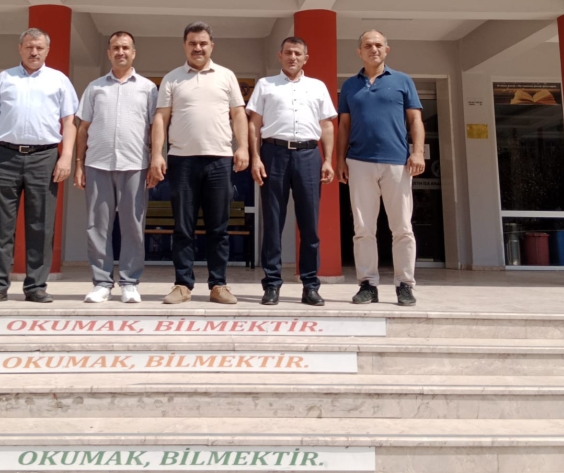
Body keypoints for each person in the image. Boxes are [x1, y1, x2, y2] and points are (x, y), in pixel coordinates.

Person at [0, 28, 78, 304]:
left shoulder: (59, 80)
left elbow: (69, 122)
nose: (34, 52)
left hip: (44, 157)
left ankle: (36, 286)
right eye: (29, 47)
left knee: (41, 224)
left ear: (47, 50)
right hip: (3, 156)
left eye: (39, 48)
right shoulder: (4, 78)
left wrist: (66, 156)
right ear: (20, 48)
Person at [147, 22, 248, 305]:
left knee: (219, 228)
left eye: (203, 43)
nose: (198, 48)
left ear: (211, 46)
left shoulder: (226, 76)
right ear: (185, 46)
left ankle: (219, 285)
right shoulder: (173, 78)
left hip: (219, 160)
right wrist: (157, 154)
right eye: (192, 43)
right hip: (182, 161)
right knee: (183, 227)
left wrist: (242, 147)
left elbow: (238, 114)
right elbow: (161, 118)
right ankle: (182, 284)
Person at [336, 29, 425, 307]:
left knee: (402, 228)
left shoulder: (402, 81)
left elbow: (415, 120)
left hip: (397, 163)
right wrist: (339, 160)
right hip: (359, 162)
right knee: (363, 228)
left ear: (386, 50)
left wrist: (418, 152)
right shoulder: (350, 86)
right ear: (359, 52)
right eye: (367, 45)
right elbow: (344, 126)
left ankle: (405, 285)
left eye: (378, 45)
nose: (373, 49)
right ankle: (367, 284)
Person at [248, 37, 338, 307]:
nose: (292, 57)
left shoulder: (317, 86)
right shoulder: (265, 85)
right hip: (273, 154)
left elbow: (327, 125)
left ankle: (310, 285)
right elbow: (254, 124)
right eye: (288, 52)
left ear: (305, 58)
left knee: (309, 224)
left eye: (298, 53)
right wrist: (255, 158)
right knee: (273, 222)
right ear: (280, 55)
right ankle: (272, 284)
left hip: (309, 155)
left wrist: (328, 160)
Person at [74, 31, 157, 304]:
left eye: (125, 48)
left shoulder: (148, 88)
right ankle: (101, 283)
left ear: (133, 53)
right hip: (97, 163)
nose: (121, 52)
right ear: (109, 53)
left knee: (133, 226)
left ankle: (130, 283)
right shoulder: (95, 87)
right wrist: (79, 164)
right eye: (115, 48)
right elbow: (82, 129)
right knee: (97, 226)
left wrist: (156, 160)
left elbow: (155, 128)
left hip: (135, 165)